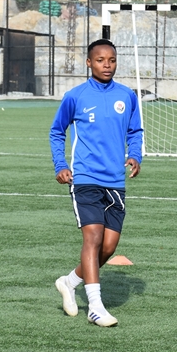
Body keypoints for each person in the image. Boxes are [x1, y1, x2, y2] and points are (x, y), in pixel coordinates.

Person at [50, 39, 143, 327]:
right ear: (89, 63)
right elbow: (57, 131)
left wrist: (135, 155)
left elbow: (135, 131)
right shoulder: (75, 96)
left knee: (109, 247)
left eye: (112, 60)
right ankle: (95, 306)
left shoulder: (127, 96)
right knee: (92, 239)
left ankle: (69, 281)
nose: (107, 65)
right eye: (100, 60)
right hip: (85, 178)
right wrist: (61, 165)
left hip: (115, 181)